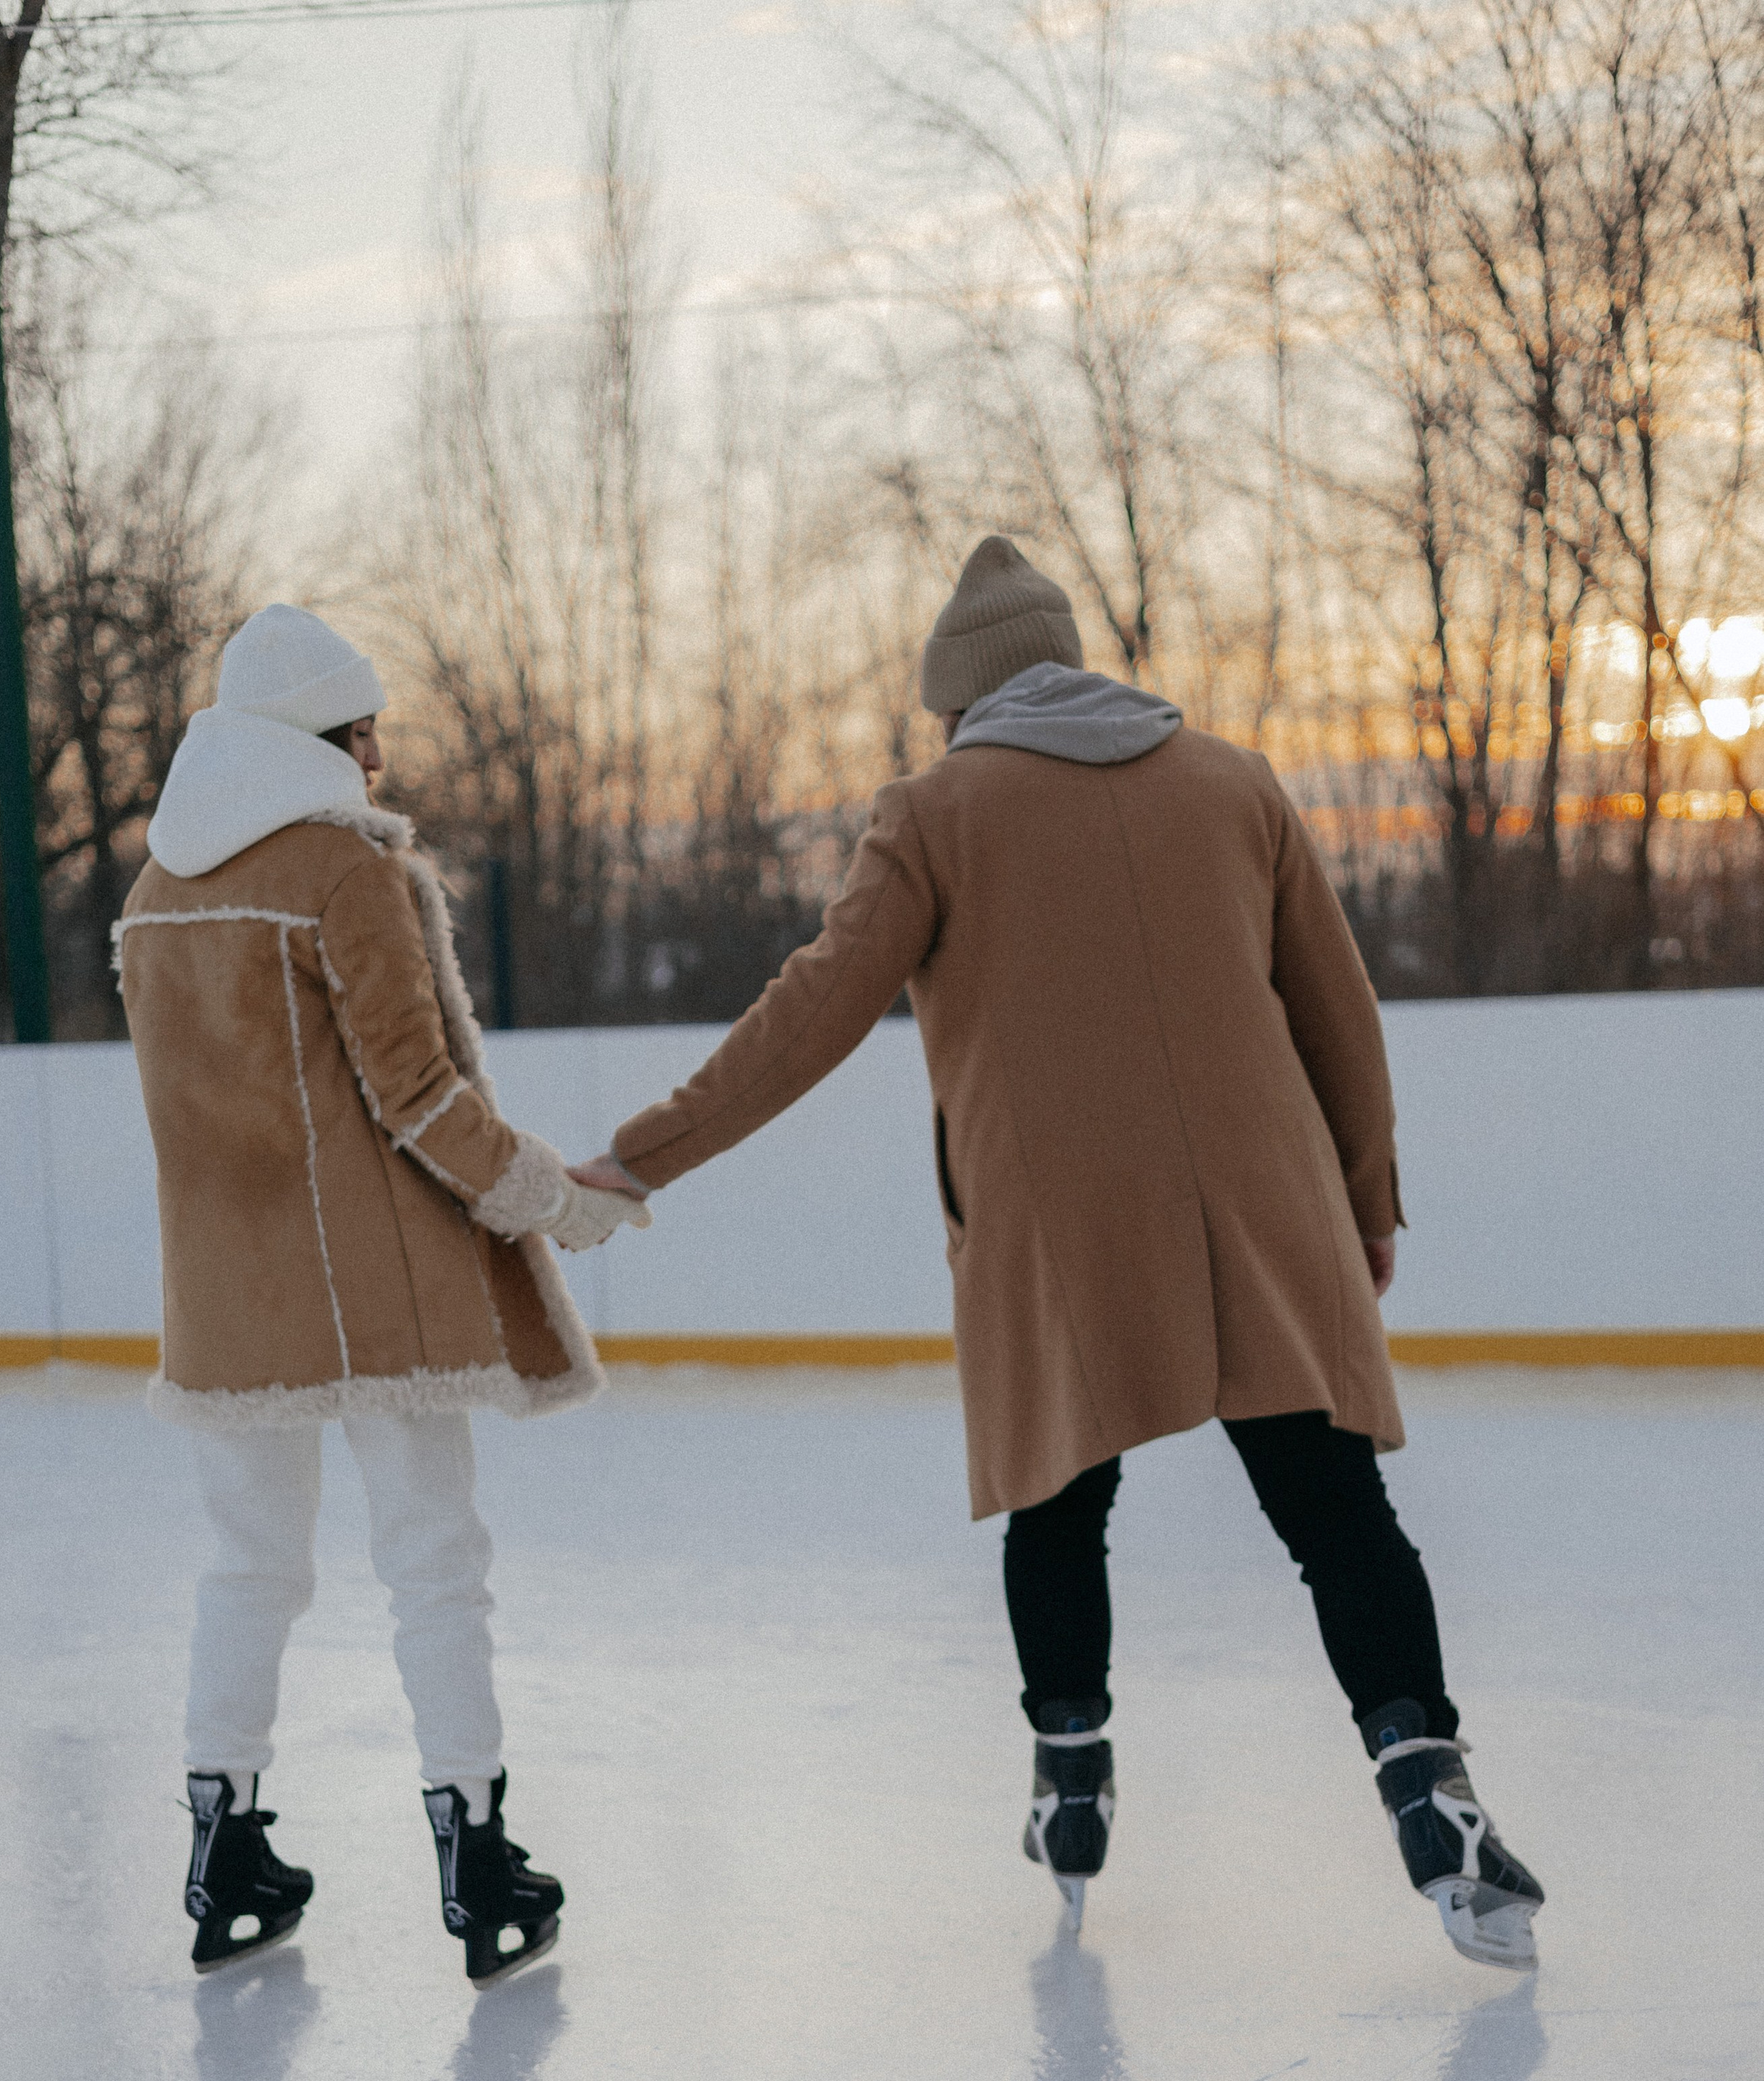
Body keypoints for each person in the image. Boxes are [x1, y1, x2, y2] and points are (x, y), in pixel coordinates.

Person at [571, 537, 1545, 1968]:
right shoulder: (1230, 780)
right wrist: (1366, 1204)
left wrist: (639, 1152)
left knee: (1058, 1502)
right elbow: (1339, 1014)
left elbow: (812, 1012)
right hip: (1266, 1214)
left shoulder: (936, 810)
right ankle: (1425, 1782)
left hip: (1061, 1237)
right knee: (1337, 1516)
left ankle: (1071, 1776)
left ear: (955, 704)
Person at [117, 604, 649, 1988]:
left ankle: (222, 1845)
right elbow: (418, 1097)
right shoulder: (343, 873)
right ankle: (478, 1863)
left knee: (249, 1567)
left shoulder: (155, 896)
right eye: (365, 733)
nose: (378, 762)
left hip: (224, 1302)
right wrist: (553, 1200)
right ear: (316, 738)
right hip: (372, 1296)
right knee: (435, 1567)